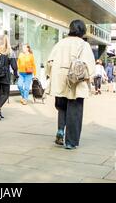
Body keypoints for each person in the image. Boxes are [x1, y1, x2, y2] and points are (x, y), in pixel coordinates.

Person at [44, 20, 96, 149]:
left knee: (62, 107)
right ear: (83, 30)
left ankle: (61, 130)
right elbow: (89, 66)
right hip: (76, 82)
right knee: (75, 110)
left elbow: (50, 61)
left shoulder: (60, 43)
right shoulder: (84, 45)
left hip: (59, 81)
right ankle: (70, 142)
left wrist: (53, 75)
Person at [0, 35, 18, 120]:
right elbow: (14, 66)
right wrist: (16, 75)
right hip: (4, 75)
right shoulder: (9, 51)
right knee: (6, 94)